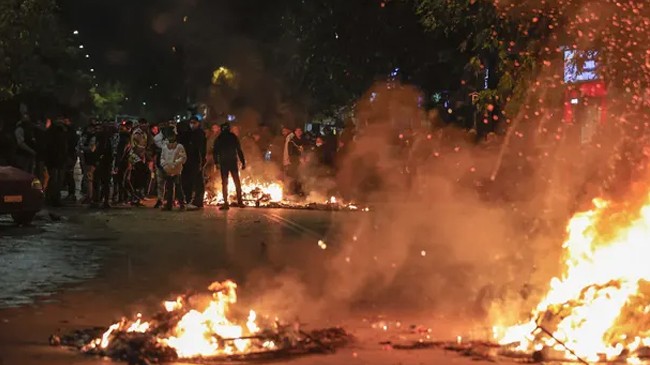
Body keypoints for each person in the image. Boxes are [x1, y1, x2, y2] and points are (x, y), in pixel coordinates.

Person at [213, 122, 246, 210]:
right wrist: (243, 162)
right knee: (236, 182)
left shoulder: (219, 138)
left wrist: (216, 163)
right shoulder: (233, 137)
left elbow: (215, 152)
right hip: (232, 162)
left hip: (224, 163)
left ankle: (226, 203)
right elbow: (239, 150)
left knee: (225, 183)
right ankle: (240, 202)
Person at [44, 119, 69, 207]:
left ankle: (51, 197)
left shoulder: (51, 135)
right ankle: (53, 198)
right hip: (56, 161)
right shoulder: (59, 136)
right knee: (55, 180)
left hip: (55, 161)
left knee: (54, 180)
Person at [184, 116, 207, 209]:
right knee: (187, 181)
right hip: (187, 160)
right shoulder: (188, 133)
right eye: (191, 122)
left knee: (198, 182)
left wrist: (201, 161)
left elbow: (202, 149)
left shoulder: (200, 134)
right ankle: (188, 200)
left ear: (198, 123)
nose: (192, 124)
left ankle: (198, 201)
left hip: (197, 160)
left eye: (194, 122)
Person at [160, 133, 187, 211]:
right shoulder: (164, 147)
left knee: (178, 188)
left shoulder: (179, 147)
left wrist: (175, 163)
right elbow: (162, 158)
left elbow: (183, 157)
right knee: (169, 188)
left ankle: (182, 204)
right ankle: (169, 205)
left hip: (176, 171)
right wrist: (164, 165)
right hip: (168, 171)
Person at [91, 125, 114, 209]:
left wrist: (96, 161)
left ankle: (98, 200)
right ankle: (104, 200)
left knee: (98, 182)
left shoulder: (100, 140)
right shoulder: (108, 140)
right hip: (105, 164)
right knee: (105, 183)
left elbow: (95, 151)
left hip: (101, 164)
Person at [62, 117, 78, 202]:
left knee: (69, 174)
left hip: (70, 155)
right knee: (68, 174)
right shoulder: (70, 131)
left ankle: (71, 194)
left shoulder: (70, 132)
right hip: (68, 155)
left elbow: (72, 143)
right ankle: (71, 193)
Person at [150, 123, 166, 208]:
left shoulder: (172, 139)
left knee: (169, 183)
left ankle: (169, 200)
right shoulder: (156, 139)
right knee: (160, 182)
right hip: (160, 163)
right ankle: (160, 199)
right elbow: (153, 152)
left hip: (168, 164)